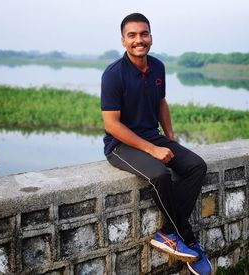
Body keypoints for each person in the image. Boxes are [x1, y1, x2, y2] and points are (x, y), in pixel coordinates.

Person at [100, 13, 211, 275]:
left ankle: (168, 232)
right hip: (120, 145)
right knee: (160, 174)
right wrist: (152, 150)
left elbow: (161, 102)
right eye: (133, 35)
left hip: (153, 135)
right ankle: (189, 239)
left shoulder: (158, 67)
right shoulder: (113, 74)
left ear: (150, 36)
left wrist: (169, 137)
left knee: (196, 166)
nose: (139, 40)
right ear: (123, 40)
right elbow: (111, 125)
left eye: (144, 34)